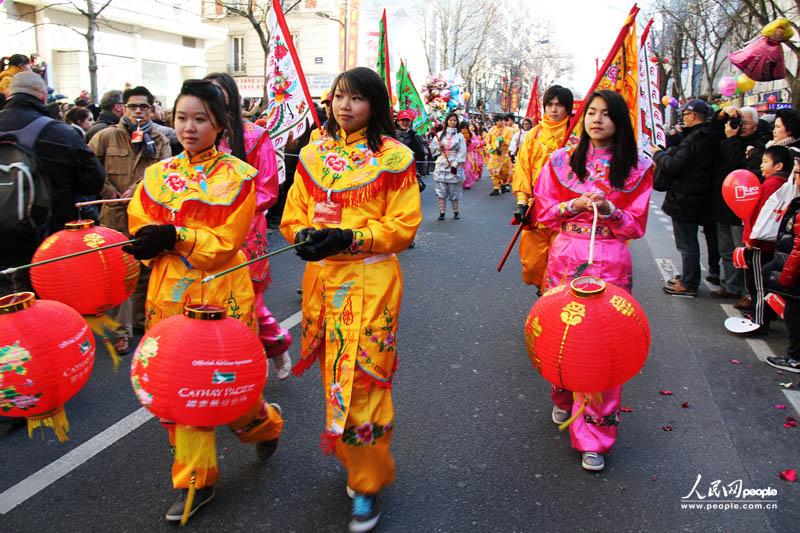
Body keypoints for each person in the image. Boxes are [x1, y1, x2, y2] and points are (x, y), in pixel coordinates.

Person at [124, 79, 284, 523]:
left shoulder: (239, 177)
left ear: (219, 124)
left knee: (222, 381)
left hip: (218, 293)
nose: (189, 128)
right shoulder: (156, 175)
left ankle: (264, 423)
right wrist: (144, 243)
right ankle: (197, 481)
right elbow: (143, 219)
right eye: (181, 118)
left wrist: (176, 235)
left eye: (200, 119)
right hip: (167, 293)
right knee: (177, 385)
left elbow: (226, 241)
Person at [280, 66, 421, 532]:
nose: (344, 106)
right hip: (324, 283)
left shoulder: (395, 158)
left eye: (356, 98)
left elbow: (402, 227)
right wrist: (304, 236)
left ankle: (367, 480)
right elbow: (294, 212)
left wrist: (350, 237)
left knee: (364, 379)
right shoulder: (314, 151)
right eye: (339, 96)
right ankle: (355, 461)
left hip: (371, 282)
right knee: (334, 374)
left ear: (374, 104)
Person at [533, 89, 653, 472]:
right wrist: (576, 204)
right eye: (591, 113)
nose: (596, 120)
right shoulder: (560, 161)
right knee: (561, 333)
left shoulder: (638, 168)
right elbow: (544, 214)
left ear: (620, 120)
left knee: (602, 347)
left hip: (611, 261)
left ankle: (595, 437)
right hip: (566, 256)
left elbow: (636, 226)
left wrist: (611, 210)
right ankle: (562, 393)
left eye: (606, 114)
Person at [205, 71, 293, 379]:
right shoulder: (200, 134)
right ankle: (229, 365)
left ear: (231, 95)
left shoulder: (254, 135)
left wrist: (228, 209)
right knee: (212, 304)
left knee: (249, 302)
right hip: (205, 235)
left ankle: (276, 344)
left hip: (245, 232)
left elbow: (267, 189)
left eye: (219, 92)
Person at [0, 71, 105, 294]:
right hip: (48, 239)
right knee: (47, 304)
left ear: (8, 93)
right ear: (42, 97)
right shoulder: (60, 133)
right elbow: (93, 182)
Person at [89, 85, 171, 355]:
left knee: (147, 269)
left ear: (150, 109)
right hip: (112, 217)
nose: (138, 111)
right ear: (123, 108)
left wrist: (137, 188)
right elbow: (89, 167)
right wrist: (107, 190)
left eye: (143, 107)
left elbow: (165, 172)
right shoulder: (105, 136)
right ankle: (120, 332)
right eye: (133, 106)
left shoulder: (159, 140)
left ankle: (141, 321)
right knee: (120, 273)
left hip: (146, 215)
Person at [512, 85, 576, 288]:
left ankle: (548, 295)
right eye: (550, 104)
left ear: (568, 108)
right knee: (531, 264)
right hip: (537, 206)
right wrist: (522, 201)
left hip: (568, 209)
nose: (554, 109)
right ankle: (543, 287)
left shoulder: (577, 136)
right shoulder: (533, 135)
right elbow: (523, 168)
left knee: (560, 261)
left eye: (559, 105)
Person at [654, 100, 717, 298]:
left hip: (686, 197)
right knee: (688, 242)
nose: (684, 117)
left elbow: (674, 165)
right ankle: (689, 276)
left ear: (693, 115)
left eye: (686, 114)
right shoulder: (706, 135)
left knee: (686, 242)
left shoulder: (697, 138)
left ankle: (689, 282)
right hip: (694, 195)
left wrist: (659, 155)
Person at [711, 105, 767, 305]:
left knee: (741, 251)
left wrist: (732, 140)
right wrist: (724, 115)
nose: (741, 126)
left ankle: (747, 292)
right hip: (723, 204)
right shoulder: (728, 137)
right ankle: (730, 286)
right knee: (726, 250)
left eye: (746, 123)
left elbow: (738, 166)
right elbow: (713, 131)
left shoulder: (757, 146)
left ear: (756, 125)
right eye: (738, 122)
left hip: (741, 206)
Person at [739, 145, 795, 333]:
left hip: (760, 243)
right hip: (773, 243)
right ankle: (763, 315)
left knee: (758, 283)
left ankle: (759, 320)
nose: (761, 166)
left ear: (778, 165)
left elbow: (759, 216)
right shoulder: (784, 184)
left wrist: (750, 239)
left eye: (765, 162)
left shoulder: (771, 185)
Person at [763, 157, 800, 372]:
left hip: (795, 275)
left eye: (796, 173)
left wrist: (785, 278)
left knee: (795, 314)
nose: (793, 178)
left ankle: (795, 358)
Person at [431, 112, 467, 220]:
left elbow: (462, 151)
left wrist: (455, 164)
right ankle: (442, 212)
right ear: (447, 121)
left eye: (454, 120)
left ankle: (456, 211)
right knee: (440, 188)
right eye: (450, 120)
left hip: (454, 163)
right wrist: (439, 147)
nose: (452, 122)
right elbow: (433, 148)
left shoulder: (460, 136)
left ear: (457, 122)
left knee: (454, 188)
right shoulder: (440, 134)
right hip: (441, 162)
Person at [487, 114, 512, 195]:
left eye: (502, 120)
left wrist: (503, 141)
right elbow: (488, 141)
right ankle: (496, 187)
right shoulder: (491, 131)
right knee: (492, 169)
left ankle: (503, 183)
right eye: (499, 120)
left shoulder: (508, 131)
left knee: (504, 171)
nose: (501, 122)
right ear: (496, 121)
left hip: (504, 154)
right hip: (494, 154)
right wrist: (490, 148)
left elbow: (510, 142)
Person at [464, 122, 485, 189]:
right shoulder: (462, 133)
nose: (471, 128)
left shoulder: (475, 134)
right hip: (465, 152)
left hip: (474, 152)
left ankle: (471, 179)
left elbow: (477, 142)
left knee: (476, 165)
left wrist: (480, 143)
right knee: (466, 168)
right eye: (470, 126)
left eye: (473, 126)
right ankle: (466, 181)